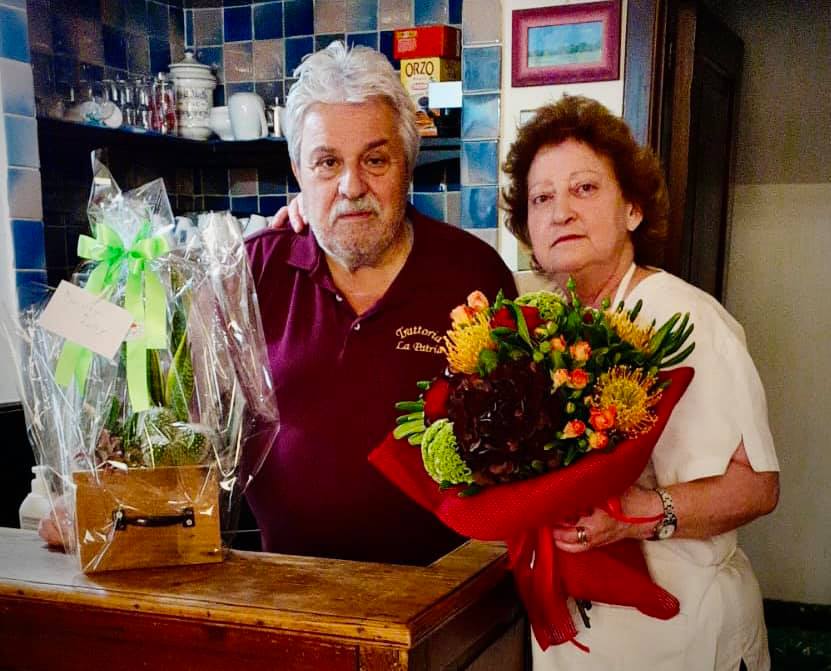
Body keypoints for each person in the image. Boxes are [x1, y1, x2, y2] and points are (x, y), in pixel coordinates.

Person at [501, 95, 779, 670]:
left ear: (631, 207)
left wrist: (638, 513)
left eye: (584, 189)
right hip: (581, 635)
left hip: (682, 634)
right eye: (541, 198)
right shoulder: (545, 327)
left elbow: (757, 488)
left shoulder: (688, 319)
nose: (561, 212)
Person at [242, 41, 517, 565]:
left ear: (407, 165)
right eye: (327, 162)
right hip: (288, 592)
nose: (351, 186)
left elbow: (521, 448)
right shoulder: (254, 273)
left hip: (443, 600)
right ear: (299, 173)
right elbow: (193, 424)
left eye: (375, 159)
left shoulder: (474, 274)